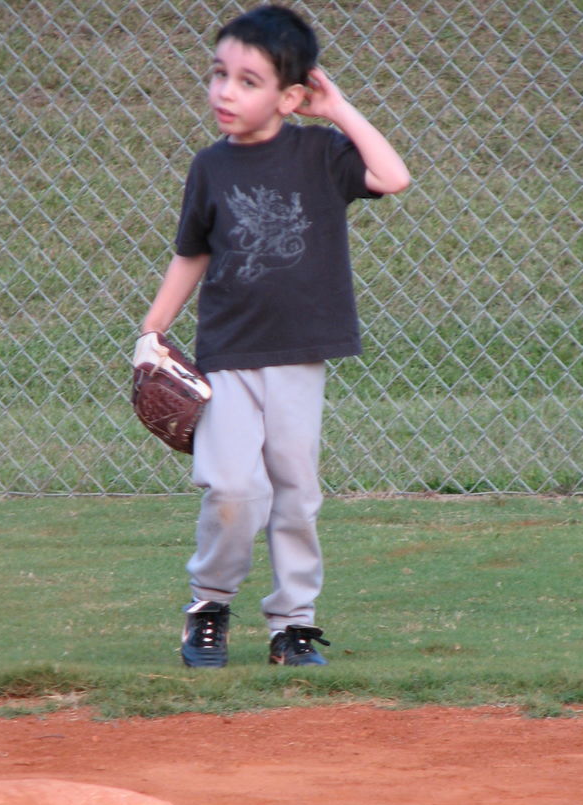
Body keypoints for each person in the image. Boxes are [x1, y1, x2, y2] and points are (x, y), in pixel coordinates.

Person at [140, 4, 410, 668]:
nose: (226, 92)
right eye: (219, 74)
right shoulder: (210, 166)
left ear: (292, 95)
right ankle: (209, 605)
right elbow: (192, 252)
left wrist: (339, 110)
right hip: (228, 353)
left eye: (249, 80)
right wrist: (152, 330)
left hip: (300, 354)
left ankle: (293, 623)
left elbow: (391, 177)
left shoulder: (319, 152)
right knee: (234, 488)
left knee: (295, 490)